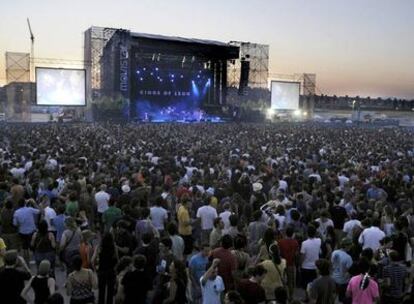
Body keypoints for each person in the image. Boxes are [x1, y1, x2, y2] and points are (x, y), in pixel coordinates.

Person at [92, 232, 119, 304]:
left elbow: (92, 260)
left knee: (101, 291)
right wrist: (115, 269)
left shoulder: (99, 247)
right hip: (111, 271)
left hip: (101, 271)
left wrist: (95, 269)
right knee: (110, 291)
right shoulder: (114, 247)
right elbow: (117, 260)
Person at [278, 226, 299, 300]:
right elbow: (296, 254)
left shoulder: (280, 242)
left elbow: (279, 253)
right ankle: (291, 296)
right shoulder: (295, 242)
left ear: (285, 233)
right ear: (292, 234)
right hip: (291, 263)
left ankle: (283, 296)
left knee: (282, 280)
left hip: (282, 263)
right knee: (290, 281)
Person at [331, 238, 353, 304]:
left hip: (333, 278)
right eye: (350, 245)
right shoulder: (348, 257)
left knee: (333, 296)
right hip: (343, 281)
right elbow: (349, 271)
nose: (351, 246)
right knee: (343, 299)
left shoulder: (334, 252)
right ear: (346, 246)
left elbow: (332, 264)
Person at [300, 225, 322, 294]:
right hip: (315, 266)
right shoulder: (319, 241)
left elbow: (302, 256)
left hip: (305, 266)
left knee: (306, 284)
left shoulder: (304, 243)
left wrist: (300, 264)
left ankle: (306, 297)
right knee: (314, 284)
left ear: (307, 233)